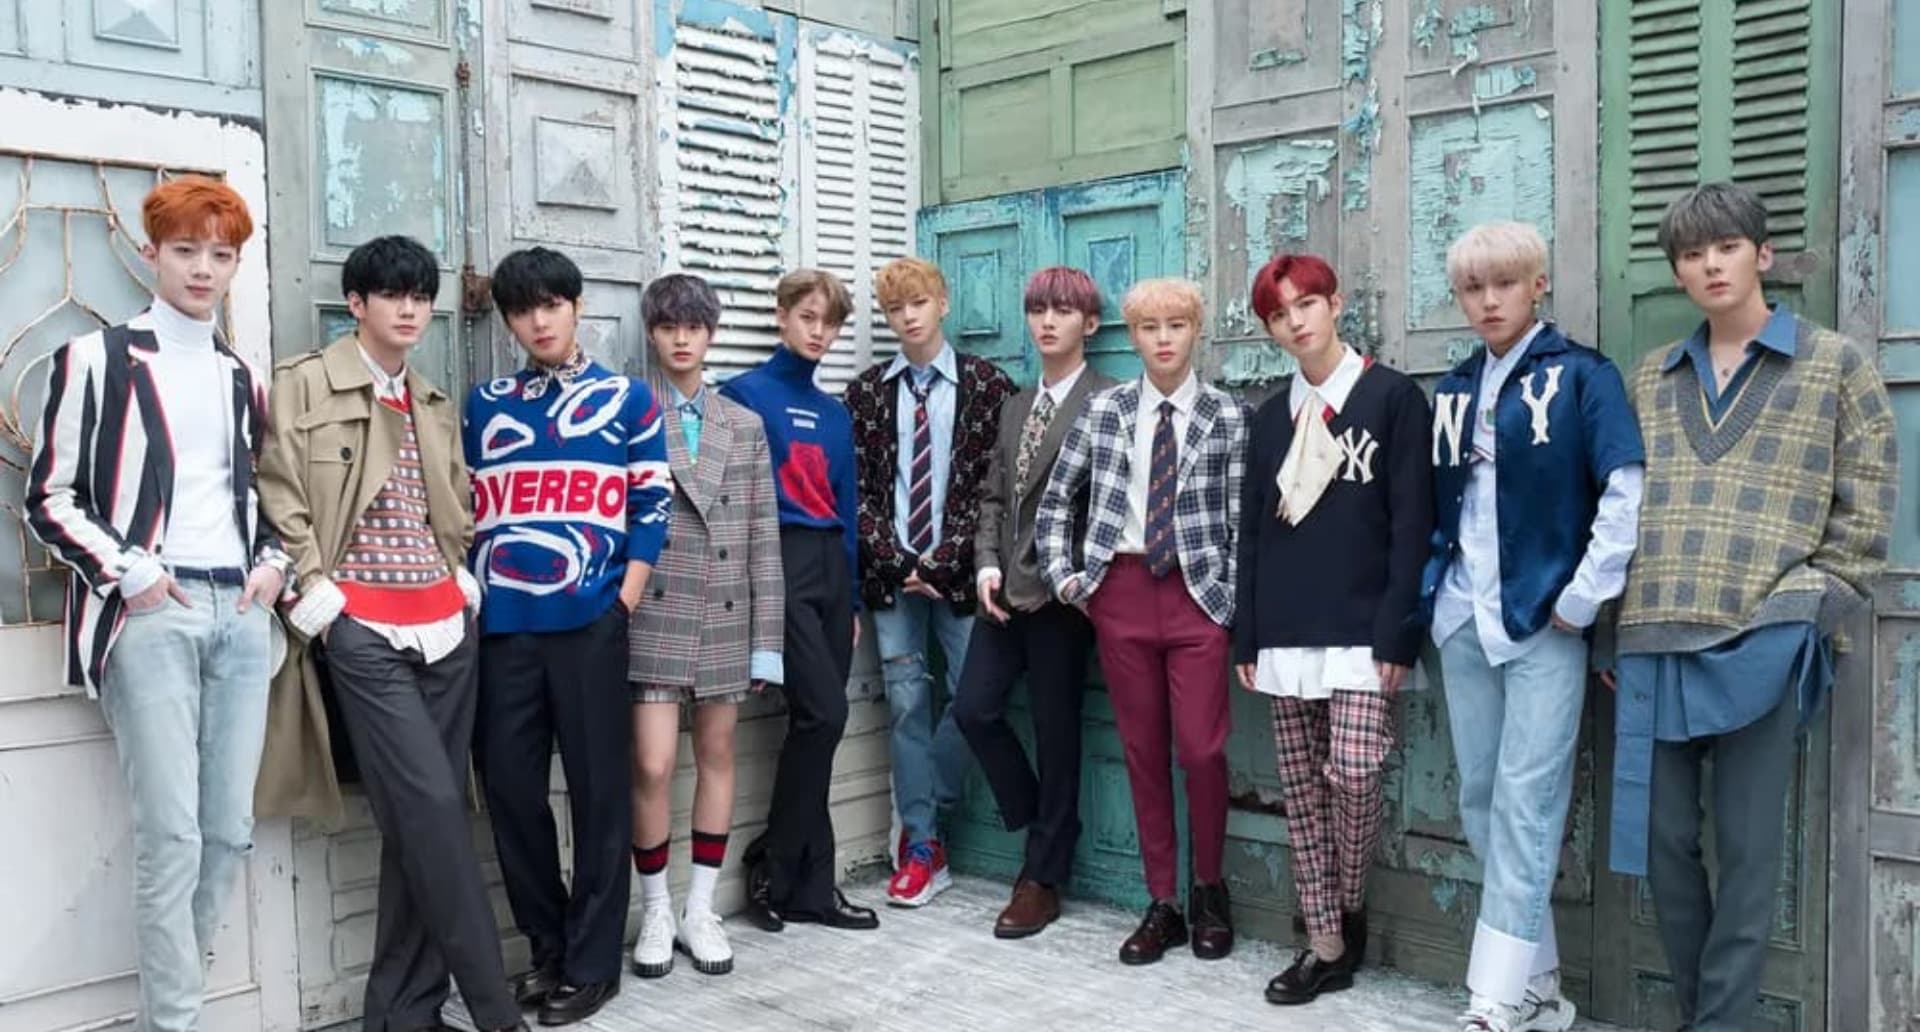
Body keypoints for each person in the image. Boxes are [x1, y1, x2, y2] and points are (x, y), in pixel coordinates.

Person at [1607, 183, 1895, 1032]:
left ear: (1761, 255)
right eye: (1691, 254)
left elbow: (1868, 502)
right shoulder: (1650, 377)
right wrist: (1607, 633)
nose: (1710, 265)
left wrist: (1810, 609)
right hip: (1653, 633)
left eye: (1726, 247)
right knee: (1662, 847)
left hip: (1766, 639)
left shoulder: (1835, 364)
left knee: (1748, 850)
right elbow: (1614, 508)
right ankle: (1711, 1017)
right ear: (1677, 272)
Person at [26, 175, 289, 1032]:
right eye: (185, 251)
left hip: (240, 614)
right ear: (152, 256)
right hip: (152, 611)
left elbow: (264, 498)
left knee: (230, 831)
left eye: (220, 254)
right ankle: (175, 1024)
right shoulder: (96, 361)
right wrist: (129, 573)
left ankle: (170, 1013)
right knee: (171, 837)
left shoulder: (242, 377)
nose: (203, 269)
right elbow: (49, 497)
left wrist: (273, 566)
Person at [256, 235, 524, 1032]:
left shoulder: (432, 401)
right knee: (433, 806)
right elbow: (278, 488)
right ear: (357, 303)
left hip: (445, 624)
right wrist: (314, 587)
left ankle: (402, 1013)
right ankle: (497, 1014)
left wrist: (461, 572)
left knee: (423, 824)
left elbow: (454, 503)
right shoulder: (305, 384)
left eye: (420, 296)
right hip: (361, 627)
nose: (410, 309)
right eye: (392, 295)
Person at [1422, 222, 1644, 1032]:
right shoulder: (1453, 388)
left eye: (1505, 284)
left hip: (1544, 622)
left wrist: (1582, 599)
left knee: (1527, 803)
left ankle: (1493, 998)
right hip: (1463, 618)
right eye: (1473, 288)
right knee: (1482, 801)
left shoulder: (1583, 374)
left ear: (1537, 285)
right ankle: (1539, 986)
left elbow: (1624, 490)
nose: (1489, 301)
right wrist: (1434, 600)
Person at [464, 247, 670, 1024]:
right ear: (508, 320)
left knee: (597, 795)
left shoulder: (627, 400)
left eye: (552, 304)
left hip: (590, 623)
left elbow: (651, 507)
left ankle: (592, 964)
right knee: (512, 794)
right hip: (502, 629)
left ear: (577, 306)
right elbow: (464, 507)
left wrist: (623, 602)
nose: (539, 321)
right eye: (523, 310)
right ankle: (548, 948)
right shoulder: (486, 405)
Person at [1233, 254, 1433, 1005]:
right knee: (1300, 793)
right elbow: (1253, 533)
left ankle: (1346, 905)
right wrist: (1247, 635)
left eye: (1307, 304)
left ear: (1336, 303)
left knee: (1353, 773)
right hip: (1284, 627)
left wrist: (1399, 631)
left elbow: (1413, 525)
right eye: (1280, 314)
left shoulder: (1391, 399)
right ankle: (1322, 944)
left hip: (1361, 628)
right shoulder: (1267, 418)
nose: (1297, 322)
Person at [1034, 277, 1246, 965]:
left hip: (1198, 596)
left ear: (1196, 331)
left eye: (1176, 325)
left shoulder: (1228, 415)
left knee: (1201, 750)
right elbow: (1055, 502)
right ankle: (1163, 903)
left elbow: (1241, 522)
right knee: (1142, 750)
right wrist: (1070, 580)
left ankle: (1208, 889)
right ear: (1131, 336)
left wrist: (1230, 598)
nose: (1163, 339)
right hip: (1120, 592)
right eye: (1149, 327)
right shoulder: (1104, 410)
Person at [626, 273, 784, 979]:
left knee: (718, 754)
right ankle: (656, 908)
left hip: (724, 609)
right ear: (652, 333)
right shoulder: (631, 412)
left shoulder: (743, 425)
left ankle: (701, 907)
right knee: (653, 763)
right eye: (668, 327)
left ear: (711, 334)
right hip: (654, 612)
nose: (681, 339)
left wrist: (767, 642)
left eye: (693, 327)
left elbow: (763, 537)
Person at [845, 256, 1016, 906]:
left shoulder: (989, 386)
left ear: (942, 303)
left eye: (918, 303)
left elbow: (995, 486)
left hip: (964, 575)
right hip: (892, 578)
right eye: (895, 308)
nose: (908, 317)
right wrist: (900, 561)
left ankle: (926, 801)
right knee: (907, 704)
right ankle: (922, 844)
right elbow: (858, 494)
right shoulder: (865, 394)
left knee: (975, 700)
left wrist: (941, 562)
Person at [953, 266, 1116, 937]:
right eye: (1038, 310)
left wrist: (1073, 578)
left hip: (1063, 598)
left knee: (1057, 733)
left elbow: (1109, 505)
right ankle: (1044, 822)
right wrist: (985, 566)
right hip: (1004, 592)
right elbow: (994, 495)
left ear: (1090, 324)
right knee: (973, 709)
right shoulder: (1016, 404)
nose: (1047, 322)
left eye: (1063, 311)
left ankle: (1042, 877)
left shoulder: (1109, 400)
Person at [727, 269, 879, 932]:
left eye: (831, 323)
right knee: (824, 715)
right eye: (808, 317)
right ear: (782, 316)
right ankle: (773, 857)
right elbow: (732, 501)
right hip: (778, 560)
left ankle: (811, 888)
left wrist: (852, 599)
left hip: (830, 573)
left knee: (821, 726)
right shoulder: (744, 396)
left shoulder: (836, 414)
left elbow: (845, 509)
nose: (819, 332)